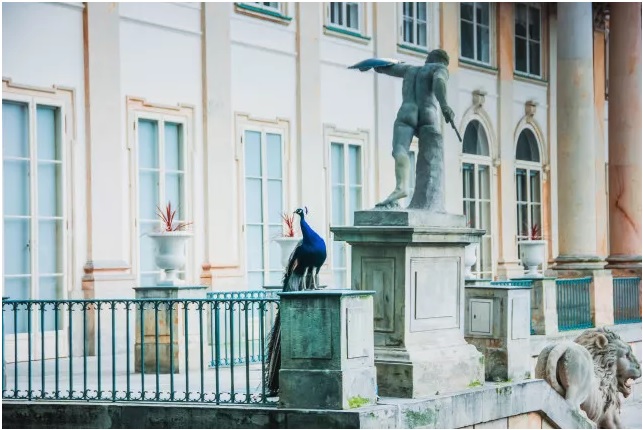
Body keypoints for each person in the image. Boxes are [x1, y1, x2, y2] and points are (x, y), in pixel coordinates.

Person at [357, 49, 454, 211]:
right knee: (431, 157)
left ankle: (401, 186)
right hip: (427, 114)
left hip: (407, 112)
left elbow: (387, 68)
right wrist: (444, 105)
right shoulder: (440, 69)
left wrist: (372, 66)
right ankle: (428, 197)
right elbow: (439, 82)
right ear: (443, 62)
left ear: (428, 59)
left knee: (400, 149)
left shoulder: (410, 69)